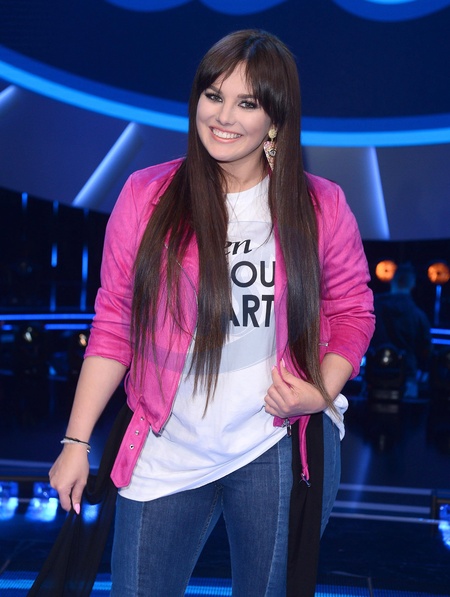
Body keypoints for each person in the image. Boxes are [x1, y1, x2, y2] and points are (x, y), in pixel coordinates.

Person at [49, 29, 375, 596]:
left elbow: (353, 311)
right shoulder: (148, 195)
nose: (223, 116)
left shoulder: (320, 204)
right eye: (213, 95)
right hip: (168, 442)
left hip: (273, 441)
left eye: (247, 103)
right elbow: (114, 324)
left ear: (274, 118)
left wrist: (319, 392)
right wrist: (76, 443)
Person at [371, 262, 431, 398]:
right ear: (412, 284)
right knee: (407, 410)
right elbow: (426, 348)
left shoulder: (372, 307)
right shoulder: (418, 315)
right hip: (406, 376)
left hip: (374, 373)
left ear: (392, 280)